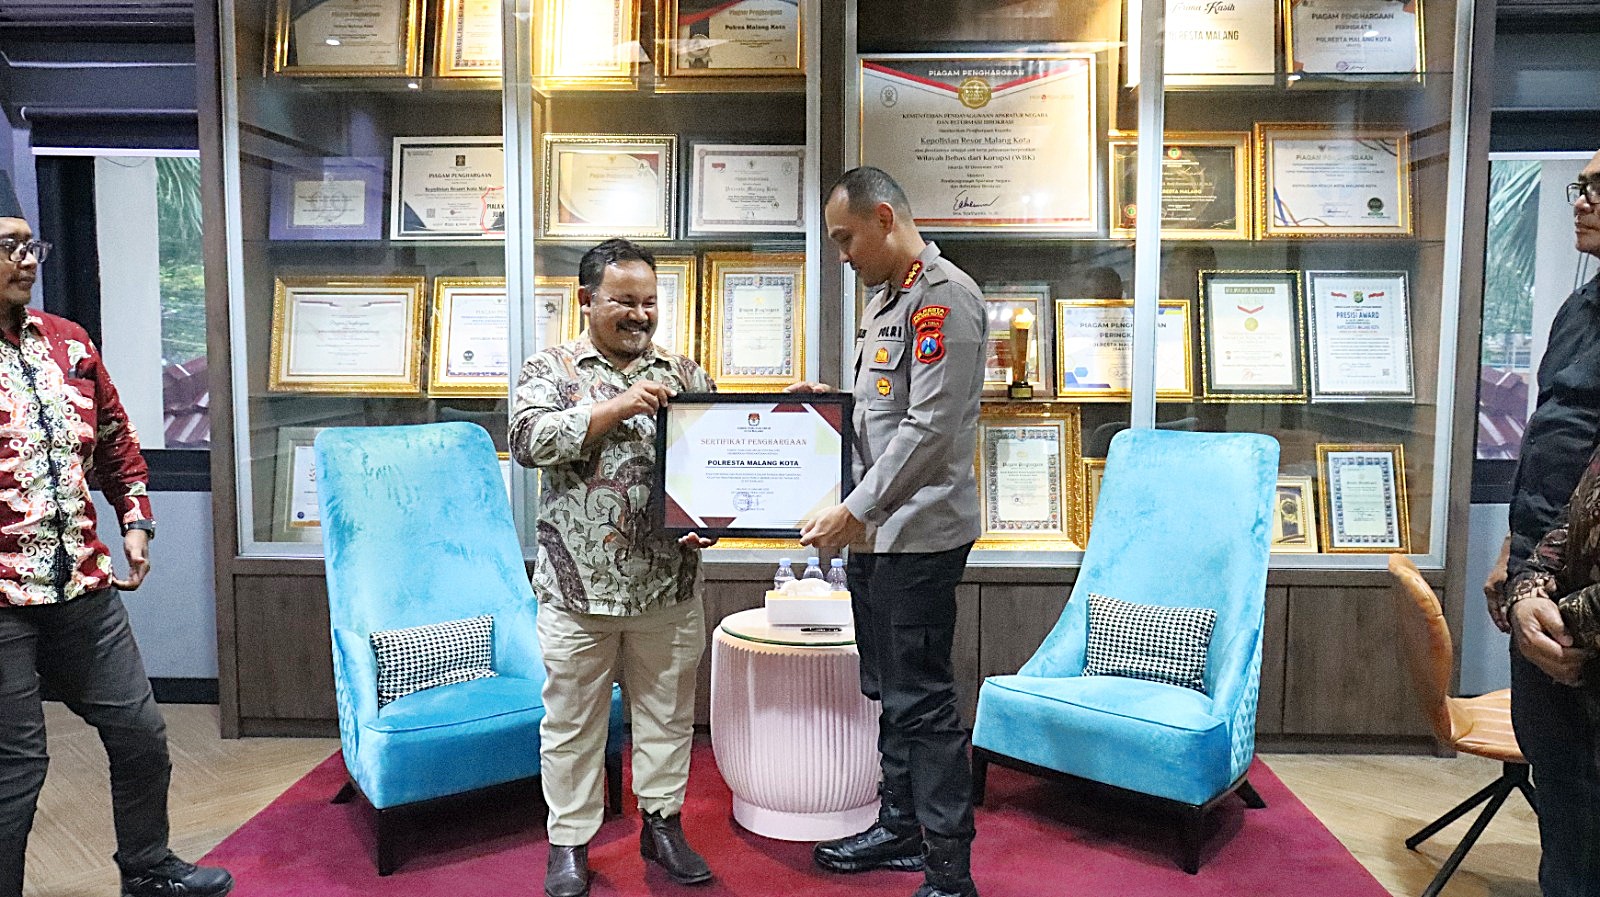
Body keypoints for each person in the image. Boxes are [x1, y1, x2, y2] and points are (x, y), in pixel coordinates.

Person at [0, 171, 233, 897]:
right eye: (9, 248)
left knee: (139, 732)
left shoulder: (68, 343)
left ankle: (147, 867)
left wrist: (135, 521)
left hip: (83, 588)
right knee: (17, 766)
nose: (27, 259)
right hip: (2, 604)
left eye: (31, 246)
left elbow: (116, 444)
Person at [789, 166, 986, 897]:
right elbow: (885, 408)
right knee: (891, 688)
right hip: (880, 532)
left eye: (846, 238)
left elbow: (930, 428)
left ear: (883, 218)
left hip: (919, 533)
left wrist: (854, 510)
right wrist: (830, 405)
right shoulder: (887, 300)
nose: (842, 254)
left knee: (923, 701)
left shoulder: (943, 299)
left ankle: (949, 870)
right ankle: (899, 825)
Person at [510, 238, 718, 897]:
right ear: (586, 300)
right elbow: (527, 439)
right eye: (624, 301)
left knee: (667, 716)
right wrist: (614, 408)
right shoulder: (550, 368)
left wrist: (712, 521)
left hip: (667, 587)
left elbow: (713, 463)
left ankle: (662, 824)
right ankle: (569, 842)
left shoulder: (686, 373)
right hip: (577, 593)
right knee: (572, 724)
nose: (640, 314)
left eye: (650, 302)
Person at [1483, 148, 1600, 897]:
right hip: (1543, 582)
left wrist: (1574, 616)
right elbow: (1552, 442)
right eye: (1580, 186)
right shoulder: (1580, 306)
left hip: (1581, 605)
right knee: (1563, 797)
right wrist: (1516, 556)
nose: (1581, 200)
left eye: (1599, 188)